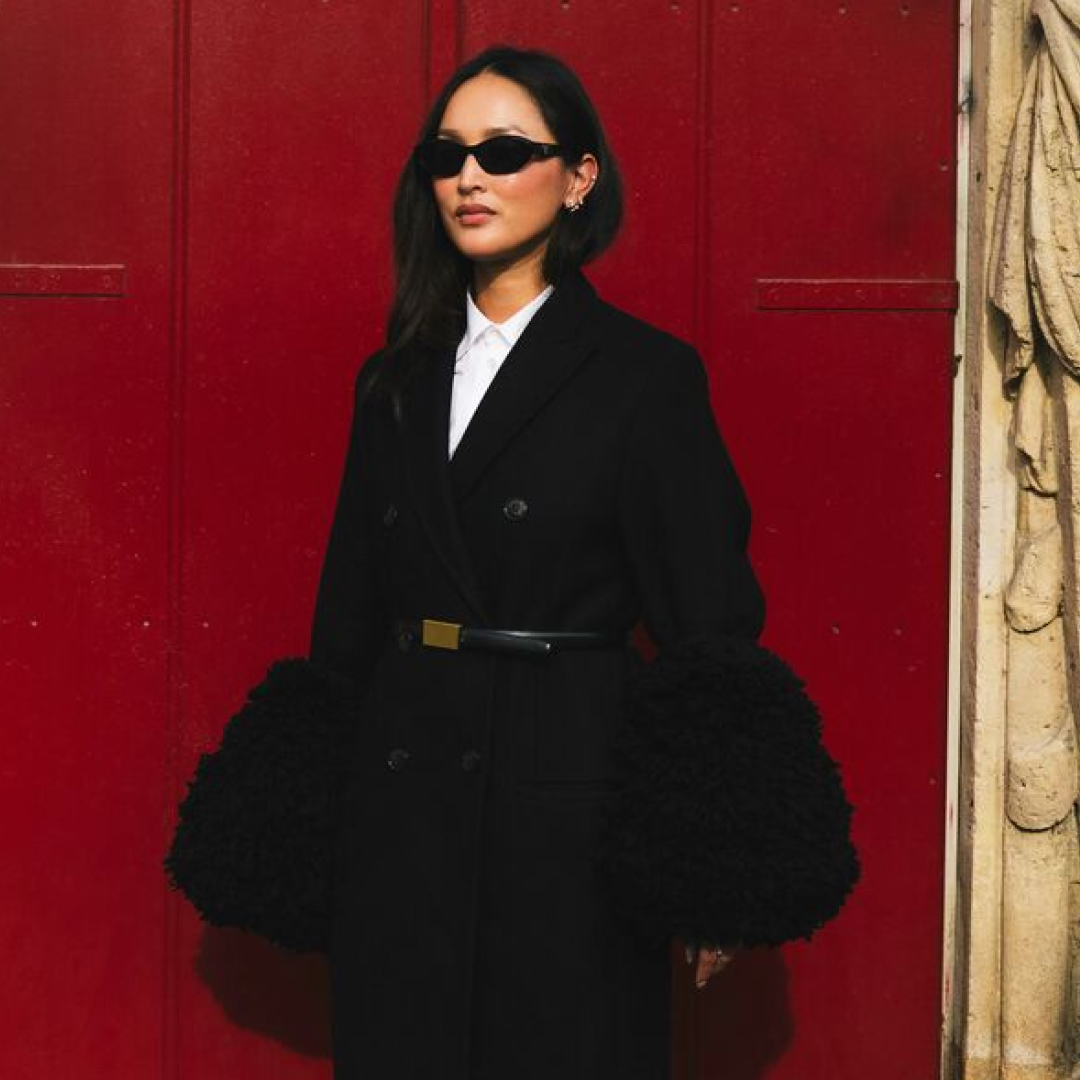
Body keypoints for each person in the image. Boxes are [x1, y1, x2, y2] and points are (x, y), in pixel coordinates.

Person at [308, 42, 856, 1080]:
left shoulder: (645, 378)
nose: (471, 178)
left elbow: (710, 623)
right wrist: (309, 827)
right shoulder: (393, 381)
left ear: (579, 178)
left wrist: (714, 866)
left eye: (508, 150)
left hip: (571, 795)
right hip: (405, 796)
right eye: (448, 154)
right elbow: (346, 618)